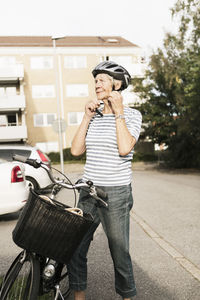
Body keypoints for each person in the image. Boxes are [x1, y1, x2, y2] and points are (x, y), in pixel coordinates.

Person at [68, 61, 142, 300]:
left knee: (119, 252)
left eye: (102, 79)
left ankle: (127, 296)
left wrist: (118, 113)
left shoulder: (132, 115)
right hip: (88, 190)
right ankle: (78, 296)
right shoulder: (95, 115)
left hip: (116, 193)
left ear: (117, 84)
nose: (97, 84)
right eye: (96, 80)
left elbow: (124, 148)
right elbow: (76, 151)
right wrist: (87, 117)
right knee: (75, 247)